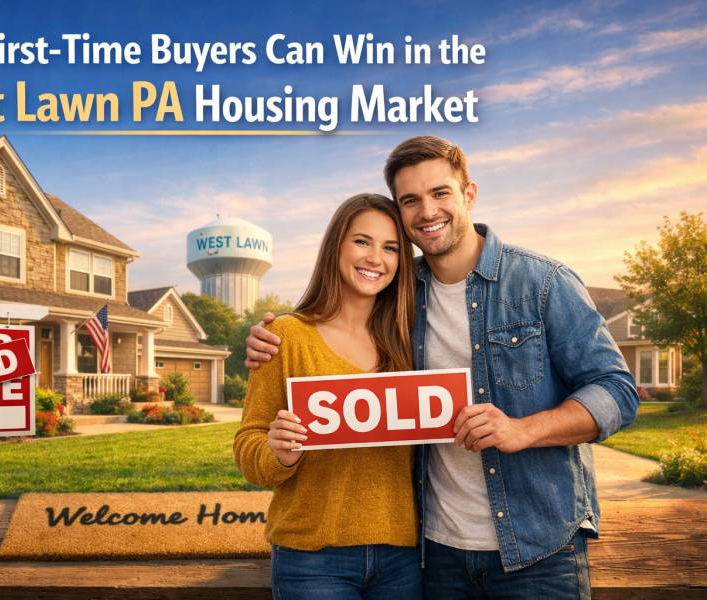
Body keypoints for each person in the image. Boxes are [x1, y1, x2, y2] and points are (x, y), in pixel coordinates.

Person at [245, 136, 639, 600]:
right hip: (436, 553)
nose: (427, 211)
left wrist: (523, 430)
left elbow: (617, 391)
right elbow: (334, 317)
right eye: (410, 200)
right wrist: (269, 334)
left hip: (537, 547)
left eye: (440, 193)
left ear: (469, 194)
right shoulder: (400, 297)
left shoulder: (542, 281)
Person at [234, 193, 422, 600]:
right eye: (362, 241)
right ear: (336, 245)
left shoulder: (410, 342)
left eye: (390, 247)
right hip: (311, 557)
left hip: (403, 556)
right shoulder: (286, 336)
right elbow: (248, 444)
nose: (376, 257)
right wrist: (278, 452)